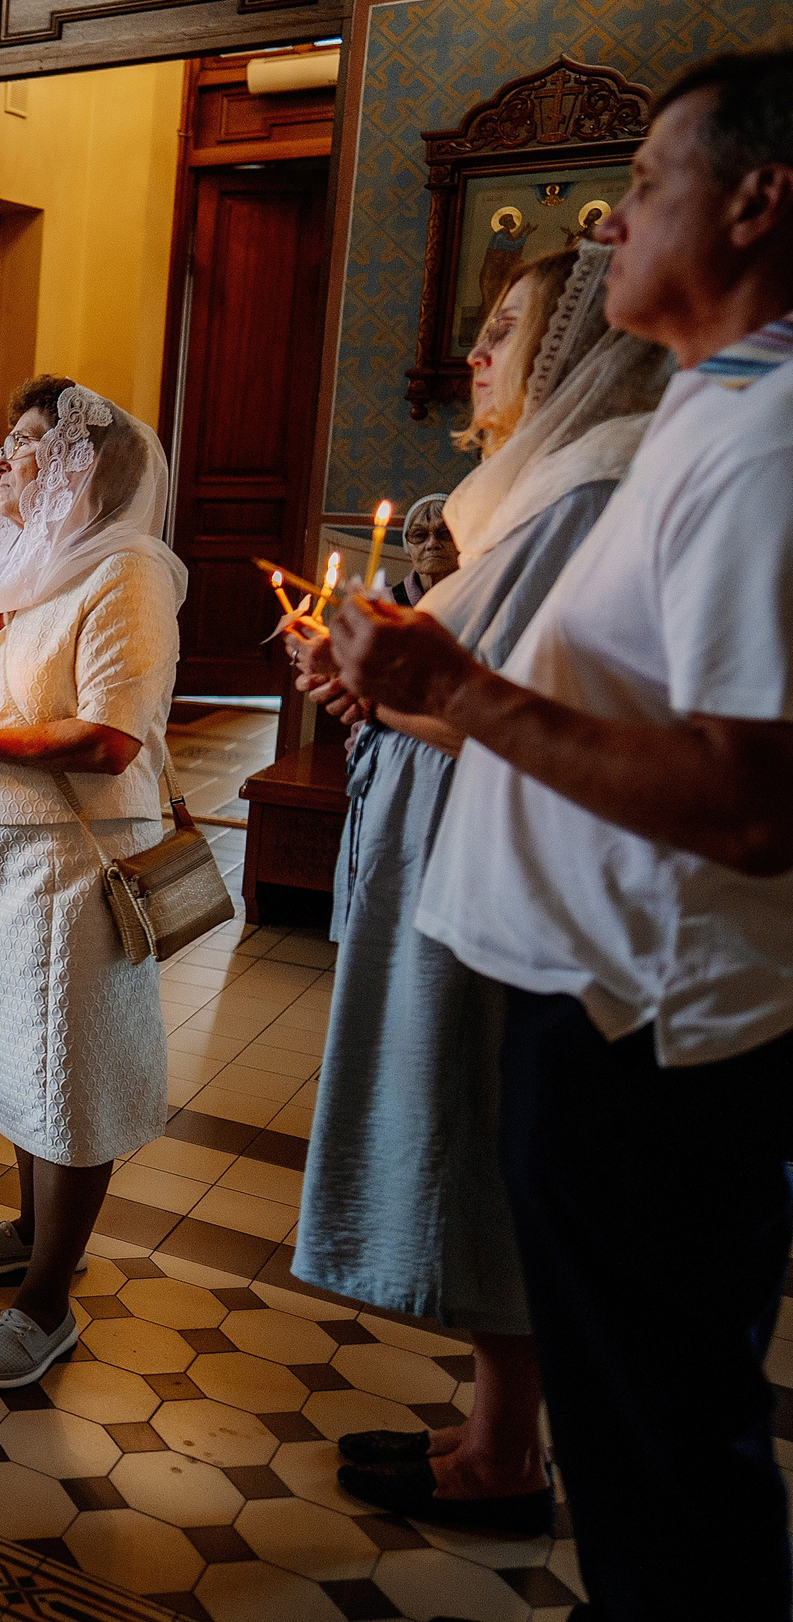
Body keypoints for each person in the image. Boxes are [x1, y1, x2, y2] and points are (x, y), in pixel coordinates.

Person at [330, 47, 793, 1620]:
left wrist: (459, 685)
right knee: (640, 1434)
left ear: (757, 199)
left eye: (648, 184)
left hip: (649, 1036)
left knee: (668, 1448)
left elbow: (749, 795)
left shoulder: (767, 440)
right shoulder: (713, 414)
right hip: (600, 1009)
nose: (609, 230)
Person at [286, 243, 671, 1534]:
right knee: (469, 1107)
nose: (479, 353)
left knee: (479, 1109)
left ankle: (508, 1452)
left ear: (570, 350)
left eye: (507, 331)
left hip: (499, 844)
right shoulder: (526, 486)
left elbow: (520, 701)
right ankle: (496, 1421)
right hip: (466, 824)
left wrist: (400, 687)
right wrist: (365, 680)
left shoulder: (585, 483)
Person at [0, 378, 184, 1390]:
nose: (6, 463)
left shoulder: (129, 572)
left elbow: (108, 738)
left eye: (26, 447)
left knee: (73, 1077)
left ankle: (47, 1299)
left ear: (79, 468)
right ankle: (28, 1231)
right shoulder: (18, 564)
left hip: (77, 860)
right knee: (23, 1063)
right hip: (2, 844)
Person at [389, 493, 456, 605]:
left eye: (445, 532)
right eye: (419, 535)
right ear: (408, 547)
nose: (432, 544)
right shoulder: (388, 604)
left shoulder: (482, 598)